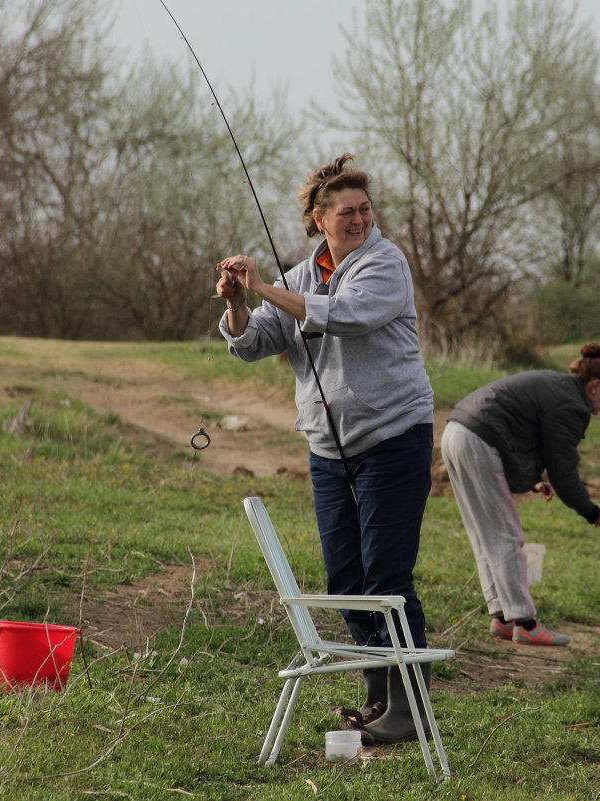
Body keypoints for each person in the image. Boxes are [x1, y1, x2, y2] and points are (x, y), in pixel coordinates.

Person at [215, 154, 435, 744]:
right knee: (345, 578)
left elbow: (349, 315)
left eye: (365, 209)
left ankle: (410, 708)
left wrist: (264, 286)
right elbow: (255, 340)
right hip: (329, 450)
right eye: (347, 212)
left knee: (387, 577)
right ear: (319, 219)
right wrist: (240, 300)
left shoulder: (385, 264)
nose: (360, 219)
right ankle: (378, 691)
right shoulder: (298, 277)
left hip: (394, 438)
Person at [441, 343, 600, 647]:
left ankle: (502, 617)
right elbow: (563, 472)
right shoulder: (571, 405)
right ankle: (525, 622)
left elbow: (521, 432)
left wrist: (533, 479)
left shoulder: (558, 387)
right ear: (594, 386)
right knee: (506, 535)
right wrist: (589, 510)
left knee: (485, 533)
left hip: (456, 434)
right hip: (480, 440)